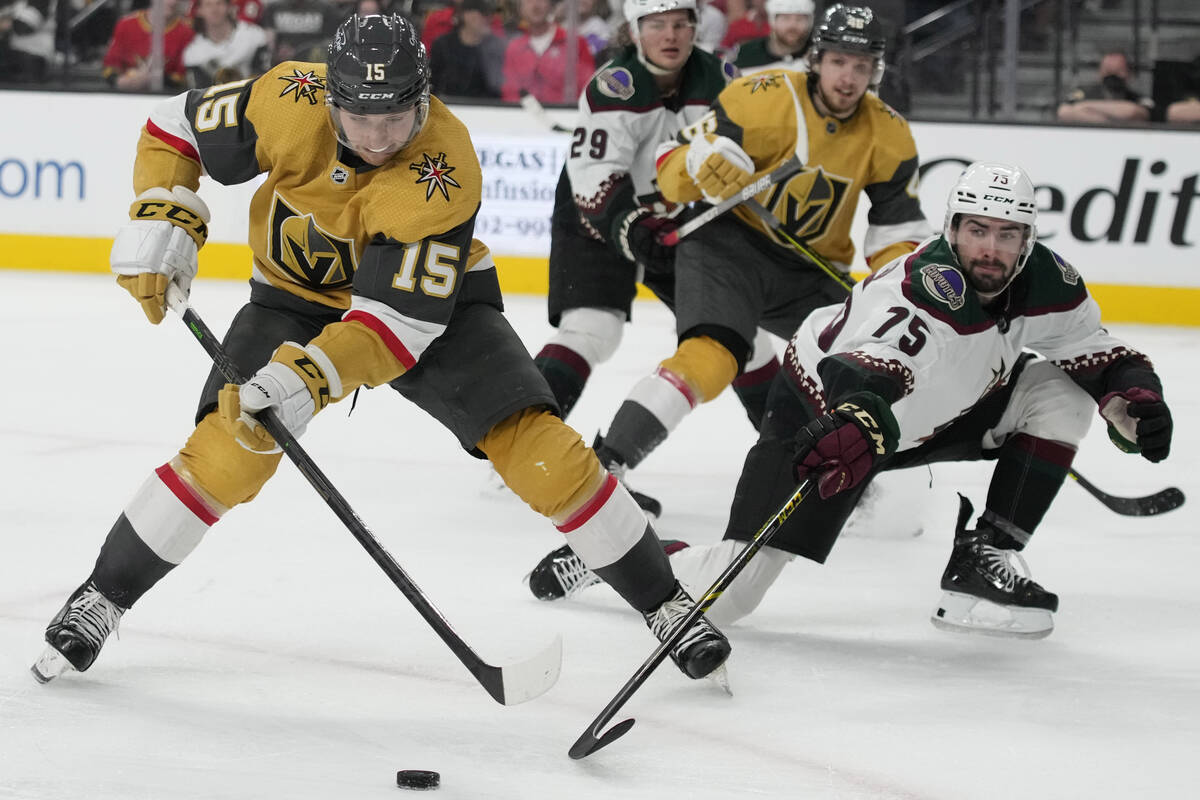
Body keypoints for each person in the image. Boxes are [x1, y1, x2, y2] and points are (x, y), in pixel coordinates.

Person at [31, 12, 729, 687]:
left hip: (432, 311)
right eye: (360, 117)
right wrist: (162, 206)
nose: (377, 136)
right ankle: (102, 596)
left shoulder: (444, 168)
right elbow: (174, 126)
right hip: (290, 300)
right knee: (227, 449)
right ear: (330, 100)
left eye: (395, 116)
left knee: (540, 450)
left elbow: (395, 327)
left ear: (423, 99)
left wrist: (309, 378)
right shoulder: (288, 96)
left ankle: (666, 602)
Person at [526, 161, 1174, 640]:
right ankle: (613, 556)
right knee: (730, 596)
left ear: (1028, 238)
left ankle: (983, 558)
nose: (991, 249)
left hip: (931, 417)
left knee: (1059, 388)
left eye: (1008, 235)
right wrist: (859, 417)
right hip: (825, 417)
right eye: (978, 230)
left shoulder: (1046, 280)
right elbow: (868, 367)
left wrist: (1132, 400)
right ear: (953, 229)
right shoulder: (927, 286)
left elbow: (1097, 352)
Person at [574, 3, 932, 517]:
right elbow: (669, 165)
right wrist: (699, 165)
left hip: (808, 272)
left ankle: (839, 472)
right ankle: (607, 464)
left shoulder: (890, 134)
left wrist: (895, 283)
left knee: (864, 363)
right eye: (838, 62)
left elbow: (896, 230)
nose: (848, 78)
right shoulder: (760, 99)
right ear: (816, 59)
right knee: (713, 356)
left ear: (875, 71)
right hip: (728, 247)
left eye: (861, 66)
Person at [532, 0, 780, 518]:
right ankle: (524, 447)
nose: (670, 35)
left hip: (681, 218)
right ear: (634, 30)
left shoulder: (722, 77)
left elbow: (749, 153)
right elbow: (595, 181)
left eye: (681, 24)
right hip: (595, 212)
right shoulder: (613, 85)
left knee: (742, 341)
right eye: (656, 25)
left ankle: (798, 458)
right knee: (592, 329)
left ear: (695, 27)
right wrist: (630, 228)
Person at [500, 0, 595, 104]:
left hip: (566, 116)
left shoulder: (575, 43)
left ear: (550, 5)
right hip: (524, 117)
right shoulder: (514, 49)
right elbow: (510, 94)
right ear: (520, 8)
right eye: (528, 1)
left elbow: (588, 91)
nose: (535, 5)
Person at [102, 0, 195, 92]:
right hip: (126, 96)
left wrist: (152, 79)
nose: (172, 2)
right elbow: (110, 67)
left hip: (165, 97)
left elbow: (182, 78)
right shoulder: (126, 25)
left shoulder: (186, 32)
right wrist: (120, 82)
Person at [428, 0, 506, 99]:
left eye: (490, 14)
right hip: (449, 108)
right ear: (467, 15)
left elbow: (499, 89)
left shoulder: (497, 47)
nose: (489, 18)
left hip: (487, 110)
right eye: (484, 14)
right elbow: (434, 84)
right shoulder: (443, 46)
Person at [184, 0, 269, 87]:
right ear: (199, 10)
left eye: (219, 3)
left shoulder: (254, 35)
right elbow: (199, 93)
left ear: (229, 6)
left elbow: (265, 77)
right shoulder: (193, 52)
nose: (214, 10)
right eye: (208, 5)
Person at [1056, 49, 1154, 125]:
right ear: (1100, 72)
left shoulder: (1137, 98)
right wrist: (1113, 121)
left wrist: (1085, 107)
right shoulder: (1083, 94)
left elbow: (1134, 113)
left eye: (1118, 71)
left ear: (1129, 73)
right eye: (1108, 71)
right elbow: (1064, 112)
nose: (1112, 76)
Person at [727, 0, 811, 74]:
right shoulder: (746, 54)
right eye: (785, 18)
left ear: (810, 22)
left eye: (800, 19)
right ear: (772, 21)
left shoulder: (818, 56)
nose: (792, 25)